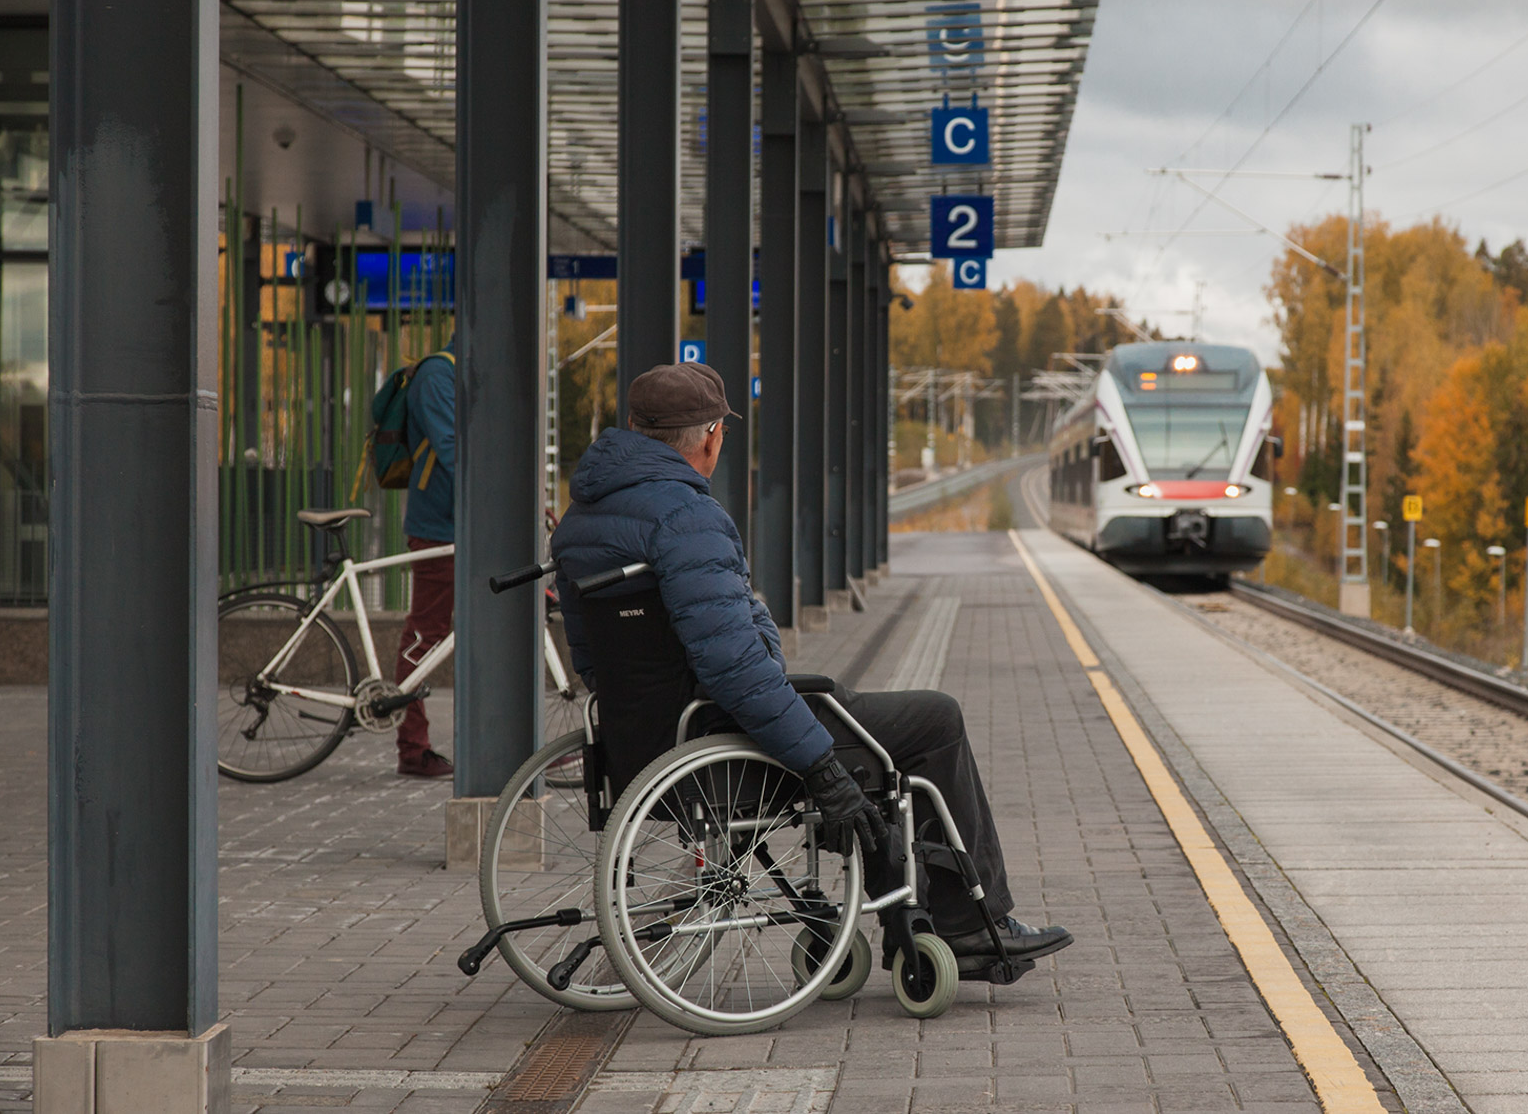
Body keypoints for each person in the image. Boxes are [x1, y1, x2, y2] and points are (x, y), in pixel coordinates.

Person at [551, 362, 1070, 979]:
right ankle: (967, 928)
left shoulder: (580, 520)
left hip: (640, 748)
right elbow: (735, 668)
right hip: (721, 744)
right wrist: (820, 765)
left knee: (850, 708)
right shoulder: (687, 518)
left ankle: (920, 908)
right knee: (934, 719)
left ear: (634, 428)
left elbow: (590, 660)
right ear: (712, 436)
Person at [393, 345, 457, 778]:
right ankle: (412, 747)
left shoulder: (456, 377)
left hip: (464, 525)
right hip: (440, 526)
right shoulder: (437, 375)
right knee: (426, 634)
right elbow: (454, 451)